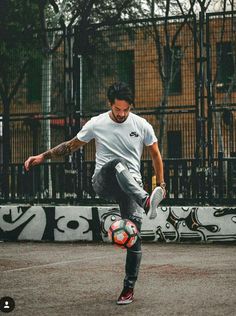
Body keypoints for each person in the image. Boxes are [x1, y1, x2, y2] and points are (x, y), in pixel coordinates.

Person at [24, 82, 166, 305]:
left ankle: (128, 289)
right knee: (118, 163)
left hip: (131, 187)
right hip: (105, 180)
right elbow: (70, 146)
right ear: (111, 105)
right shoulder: (97, 123)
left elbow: (156, 154)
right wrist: (43, 156)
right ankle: (146, 200)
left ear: (131, 107)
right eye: (117, 109)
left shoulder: (142, 125)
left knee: (134, 238)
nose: (121, 114)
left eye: (125, 110)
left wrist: (163, 184)